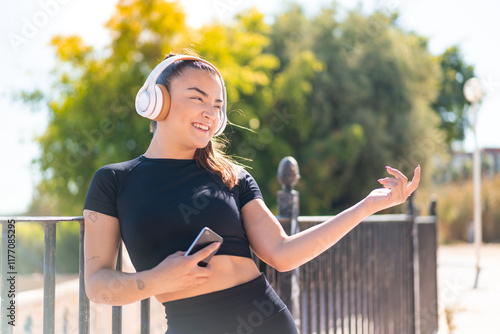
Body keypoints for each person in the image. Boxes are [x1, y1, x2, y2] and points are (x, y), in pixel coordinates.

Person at [83, 52, 421, 334]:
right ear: (157, 100)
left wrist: (367, 206)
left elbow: (282, 253)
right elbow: (97, 286)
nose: (211, 113)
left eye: (217, 106)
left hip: (267, 322)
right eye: (197, 99)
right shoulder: (113, 181)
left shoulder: (232, 176)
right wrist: (156, 279)